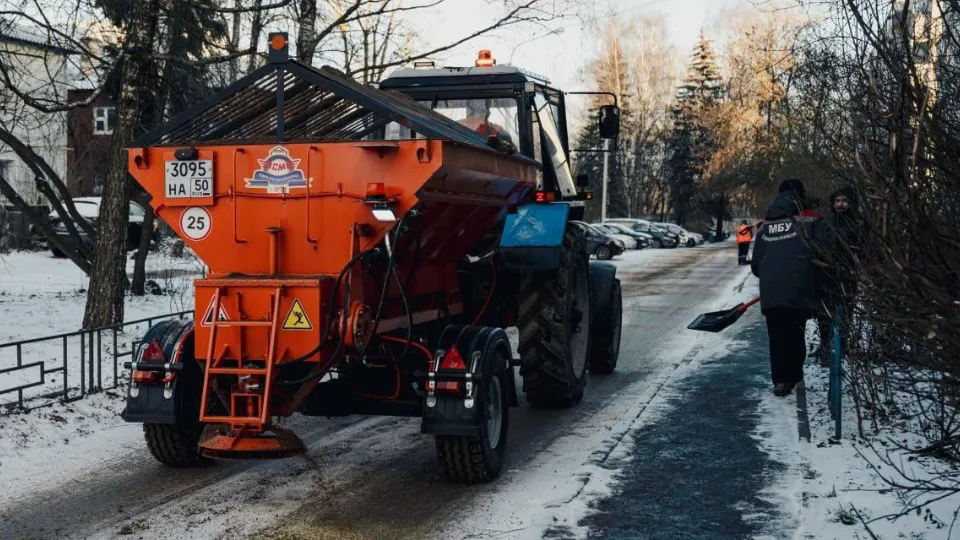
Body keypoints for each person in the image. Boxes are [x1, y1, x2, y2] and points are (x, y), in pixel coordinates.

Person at [751, 179, 822, 397]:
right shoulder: (810, 220)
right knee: (795, 333)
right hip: (799, 288)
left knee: (776, 336)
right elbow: (821, 254)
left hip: (771, 291)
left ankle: (780, 381)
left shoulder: (765, 226)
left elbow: (756, 266)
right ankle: (794, 375)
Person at [815, 185, 861, 367]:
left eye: (844, 201)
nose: (840, 204)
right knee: (825, 315)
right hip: (827, 275)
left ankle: (843, 346)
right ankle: (825, 347)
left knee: (846, 313)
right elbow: (820, 242)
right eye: (837, 201)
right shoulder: (826, 221)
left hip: (848, 276)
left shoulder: (857, 223)